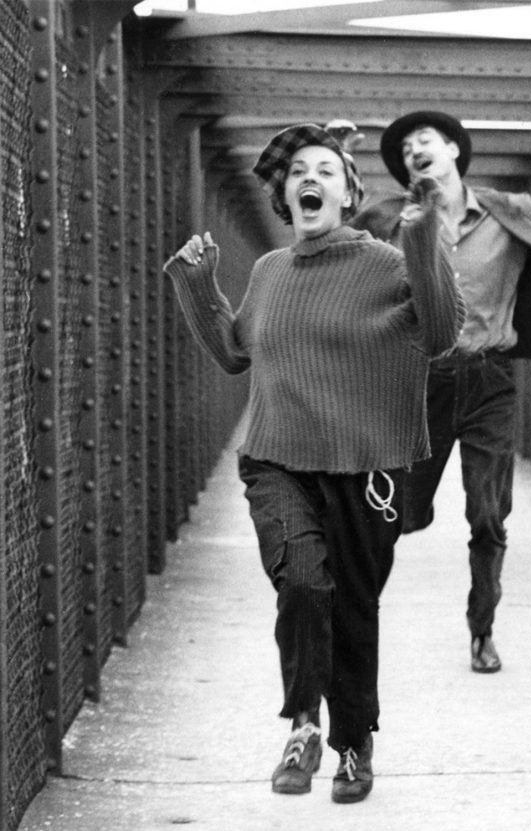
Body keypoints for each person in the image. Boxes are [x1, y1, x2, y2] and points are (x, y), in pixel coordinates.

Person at [164, 123, 464, 803]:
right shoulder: (270, 271)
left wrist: (423, 239)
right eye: (299, 170)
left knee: (352, 607)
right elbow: (235, 352)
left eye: (326, 170)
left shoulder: (386, 263)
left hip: (366, 467)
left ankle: (353, 745)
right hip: (277, 459)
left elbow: (442, 334)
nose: (310, 178)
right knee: (302, 583)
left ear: (348, 195)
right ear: (285, 197)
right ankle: (303, 724)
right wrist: (198, 283)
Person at [352, 110, 531, 674]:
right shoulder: (389, 218)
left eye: (424, 141)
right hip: (417, 382)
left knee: (488, 513)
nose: (414, 151)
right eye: (404, 150)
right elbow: (337, 249)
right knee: (396, 511)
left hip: (489, 377)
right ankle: (354, 618)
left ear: (452, 149)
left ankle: (482, 631)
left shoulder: (509, 209)